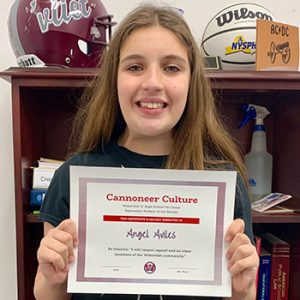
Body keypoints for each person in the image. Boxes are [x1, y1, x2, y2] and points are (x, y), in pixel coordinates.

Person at [34, 3, 259, 300]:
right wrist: (52, 278)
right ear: (114, 78)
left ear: (192, 82)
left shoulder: (224, 182)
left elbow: (242, 296)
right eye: (135, 66)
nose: (152, 83)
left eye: (171, 67)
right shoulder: (70, 178)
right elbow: (47, 294)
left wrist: (242, 289)